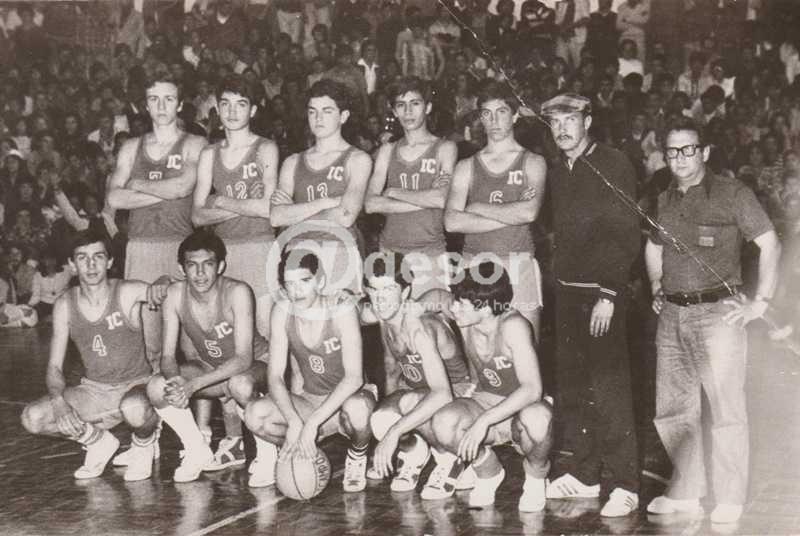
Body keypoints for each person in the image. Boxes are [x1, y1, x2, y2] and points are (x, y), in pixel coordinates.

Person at [645, 118, 781, 524]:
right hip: (672, 315)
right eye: (672, 151)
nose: (680, 158)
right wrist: (656, 284)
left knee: (726, 410)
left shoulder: (732, 193)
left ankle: (730, 498)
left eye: (688, 149)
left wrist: (761, 303)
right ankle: (687, 493)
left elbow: (770, 244)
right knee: (673, 410)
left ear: (704, 152)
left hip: (718, 315)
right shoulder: (663, 198)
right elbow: (653, 246)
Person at [542, 93, 641, 517]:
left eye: (570, 120)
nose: (562, 129)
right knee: (574, 388)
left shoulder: (613, 163)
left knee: (608, 389)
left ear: (588, 121)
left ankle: (625, 484)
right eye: (554, 122)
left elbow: (626, 234)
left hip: (602, 296)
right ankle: (585, 475)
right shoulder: (558, 169)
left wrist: (609, 293)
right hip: (568, 295)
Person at [20, 230, 161, 482]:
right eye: (82, 258)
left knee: (134, 408)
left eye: (98, 256)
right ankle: (98, 442)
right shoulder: (65, 304)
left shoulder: (128, 291)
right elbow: (54, 367)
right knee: (33, 418)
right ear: (72, 265)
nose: (91, 264)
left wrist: (164, 279)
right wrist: (59, 402)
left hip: (137, 386)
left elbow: (169, 291)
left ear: (109, 261)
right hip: (96, 392)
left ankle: (144, 443)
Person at [146, 230, 274, 484]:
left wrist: (192, 385)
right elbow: (168, 356)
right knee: (157, 387)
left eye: (208, 264)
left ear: (221, 266)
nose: (200, 273)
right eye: (192, 265)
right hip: (212, 369)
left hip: (256, 366)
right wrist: (176, 381)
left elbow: (243, 359)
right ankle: (196, 448)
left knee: (240, 383)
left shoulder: (237, 292)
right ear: (182, 269)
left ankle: (268, 455)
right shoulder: (174, 295)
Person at [244, 248, 376, 493]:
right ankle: (298, 451)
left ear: (320, 281)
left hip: (348, 400)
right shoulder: (282, 312)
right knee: (255, 414)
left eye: (304, 281)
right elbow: (275, 376)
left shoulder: (341, 310)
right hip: (310, 401)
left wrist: (312, 423)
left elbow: (354, 378)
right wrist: (295, 421)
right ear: (283, 288)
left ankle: (357, 456)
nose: (297, 291)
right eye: (289, 284)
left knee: (358, 409)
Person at [429, 261, 553, 512]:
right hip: (485, 400)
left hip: (521, 407)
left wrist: (483, 421)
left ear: (485, 307)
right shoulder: (467, 317)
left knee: (538, 418)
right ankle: (488, 472)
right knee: (443, 421)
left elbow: (532, 389)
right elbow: (434, 298)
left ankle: (536, 477)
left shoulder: (513, 326)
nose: (453, 308)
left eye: (460, 303)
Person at [362, 252, 473, 499]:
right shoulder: (385, 320)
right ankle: (414, 454)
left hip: (458, 394)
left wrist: (393, 434)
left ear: (404, 292)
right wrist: (388, 434)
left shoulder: (419, 328)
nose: (380, 299)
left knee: (409, 406)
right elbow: (392, 370)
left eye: (388, 289)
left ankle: (450, 459)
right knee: (381, 419)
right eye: (374, 290)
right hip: (422, 393)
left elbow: (442, 394)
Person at [444, 80, 547, 338]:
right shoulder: (466, 166)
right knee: (479, 354)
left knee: (524, 349)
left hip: (517, 263)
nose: (494, 120)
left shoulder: (533, 162)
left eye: (501, 112)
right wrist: (512, 213)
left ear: (515, 115)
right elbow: (452, 222)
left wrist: (477, 207)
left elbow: (529, 213)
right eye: (487, 114)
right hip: (474, 264)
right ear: (481, 118)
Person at [270, 80, 372, 297]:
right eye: (312, 111)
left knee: (341, 318)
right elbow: (277, 217)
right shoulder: (292, 162)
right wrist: (327, 203)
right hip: (297, 253)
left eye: (327, 111)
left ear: (343, 116)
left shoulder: (357, 159)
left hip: (339, 250)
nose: (318, 118)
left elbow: (345, 217)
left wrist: (295, 214)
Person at [365, 76, 456, 299]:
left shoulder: (444, 148)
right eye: (401, 105)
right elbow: (370, 204)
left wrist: (393, 192)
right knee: (392, 320)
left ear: (428, 107)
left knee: (431, 318)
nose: (408, 111)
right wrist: (425, 199)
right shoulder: (387, 150)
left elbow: (441, 199)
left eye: (415, 103)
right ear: (394, 111)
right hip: (389, 252)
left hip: (430, 253)